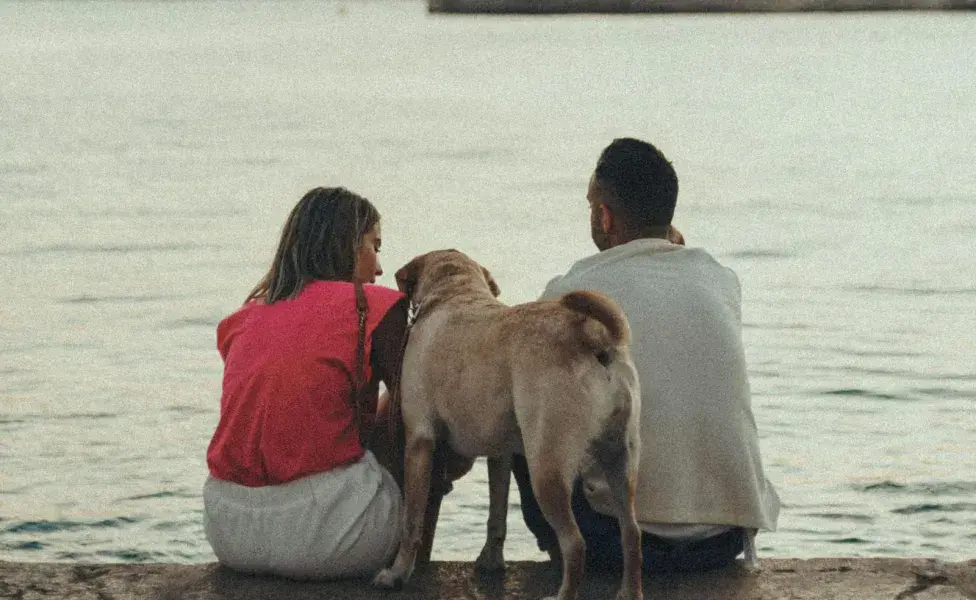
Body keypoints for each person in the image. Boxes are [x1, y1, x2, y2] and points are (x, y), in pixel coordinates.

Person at [512, 138, 780, 573]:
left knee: (523, 403)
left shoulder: (570, 294)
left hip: (616, 544)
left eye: (590, 207)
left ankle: (565, 555)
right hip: (724, 539)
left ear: (604, 215)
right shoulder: (720, 279)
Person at [203, 187, 409, 580]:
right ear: (347, 245)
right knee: (429, 424)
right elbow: (415, 410)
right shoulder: (375, 305)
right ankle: (411, 570)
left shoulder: (243, 318)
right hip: (328, 535)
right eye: (373, 246)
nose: (379, 267)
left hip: (228, 528)